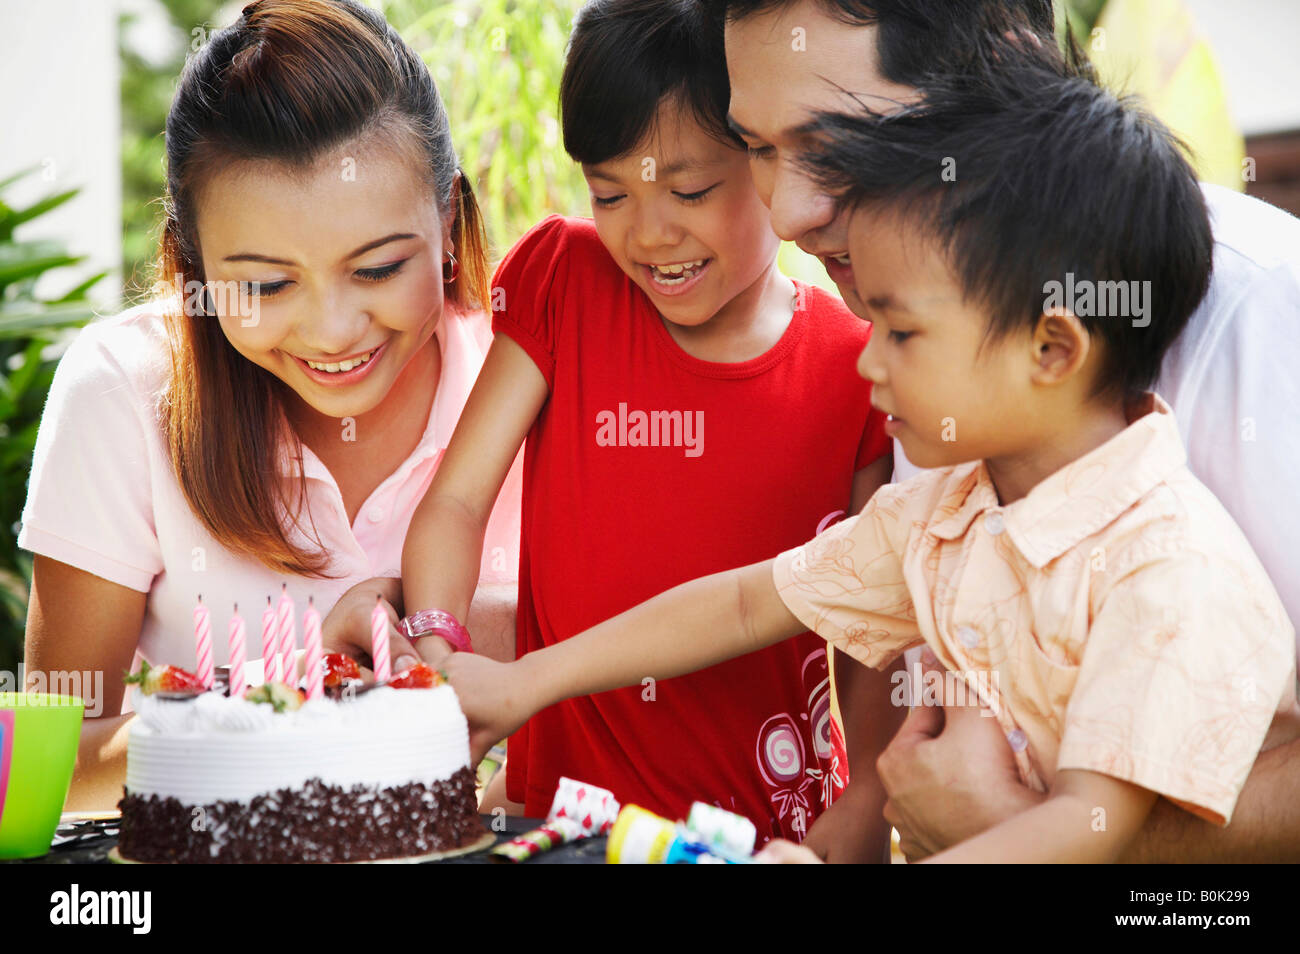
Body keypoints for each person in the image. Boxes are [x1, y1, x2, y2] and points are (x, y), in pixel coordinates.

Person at [441, 60, 1299, 864]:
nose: (866, 361)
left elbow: (1084, 827)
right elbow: (748, 601)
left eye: (901, 331)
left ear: (1051, 347)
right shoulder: (950, 509)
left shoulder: (1160, 570)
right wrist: (525, 686)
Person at [716, 0, 1300, 862]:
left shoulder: (1270, 323)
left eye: (837, 142)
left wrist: (1024, 829)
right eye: (757, 148)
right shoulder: (921, 334)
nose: (786, 212)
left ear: (1003, 70)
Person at [389, 0, 896, 856]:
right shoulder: (564, 281)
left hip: (762, 837)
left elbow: (868, 636)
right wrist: (437, 644)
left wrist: (853, 829)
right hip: (558, 827)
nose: (651, 233)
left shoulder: (860, 366)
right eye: (609, 193)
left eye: (690, 190)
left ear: (769, 163)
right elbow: (459, 501)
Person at [19, 0, 519, 811]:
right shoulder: (121, 391)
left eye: (379, 268)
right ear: (191, 263)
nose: (332, 331)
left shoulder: (531, 380)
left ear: (448, 217)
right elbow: (47, 782)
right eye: (265, 285)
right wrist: (288, 695)